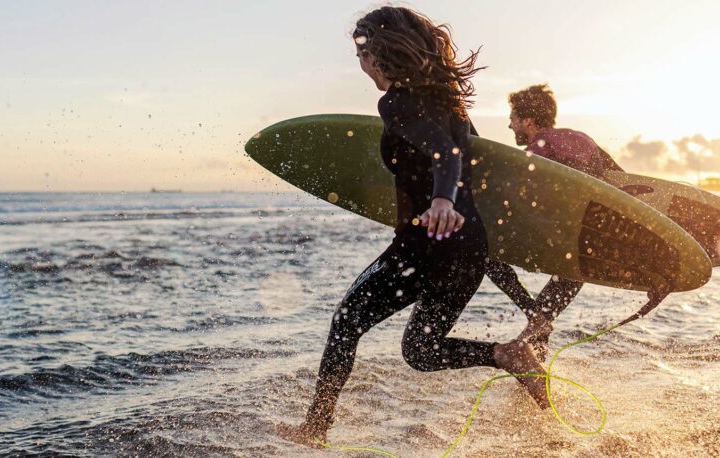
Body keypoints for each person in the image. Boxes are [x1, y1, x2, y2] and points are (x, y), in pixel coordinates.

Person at [278, 6, 549, 447]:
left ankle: (315, 428)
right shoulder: (452, 105)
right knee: (420, 351)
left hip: (425, 245)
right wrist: (514, 288)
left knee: (347, 320)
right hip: (468, 250)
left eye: (362, 51)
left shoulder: (396, 102)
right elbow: (470, 168)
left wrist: (441, 200)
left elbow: (446, 155)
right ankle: (506, 354)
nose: (360, 61)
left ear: (381, 54)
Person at [485, 84, 659, 360]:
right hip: (584, 247)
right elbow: (621, 186)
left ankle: (529, 319)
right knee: (552, 303)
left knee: (482, 252)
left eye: (513, 118)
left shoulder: (539, 145)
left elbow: (518, 195)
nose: (509, 125)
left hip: (558, 238)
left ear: (528, 121)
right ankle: (533, 363)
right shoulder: (582, 138)